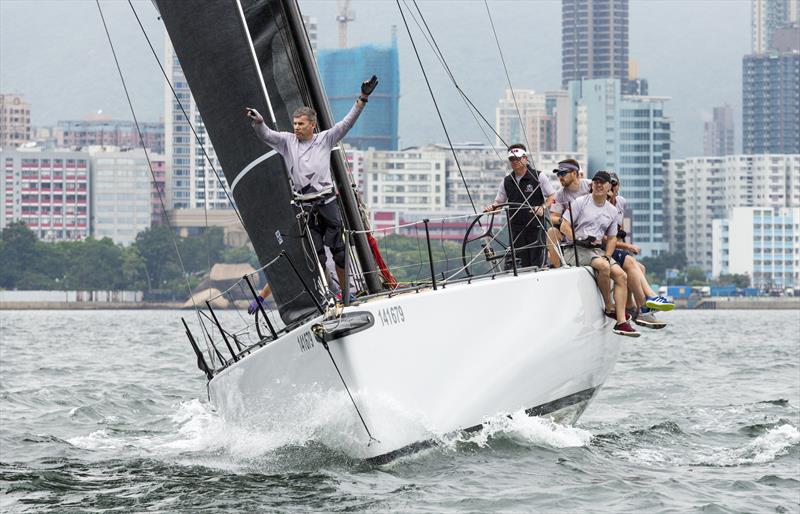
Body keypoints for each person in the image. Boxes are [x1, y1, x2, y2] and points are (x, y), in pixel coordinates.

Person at [245, 75, 378, 294]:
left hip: (327, 202)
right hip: (305, 208)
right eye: (295, 123)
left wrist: (362, 98)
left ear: (312, 126)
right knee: (317, 255)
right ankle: (329, 295)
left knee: (340, 252)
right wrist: (259, 122)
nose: (296, 127)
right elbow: (266, 135)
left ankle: (346, 295)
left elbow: (347, 123)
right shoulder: (287, 141)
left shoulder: (325, 139)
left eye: (301, 124)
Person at [559, 171, 639, 337]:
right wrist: (579, 238)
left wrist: (608, 255)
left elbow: (611, 238)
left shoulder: (612, 210)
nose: (599, 185)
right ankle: (609, 307)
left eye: (603, 182)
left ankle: (621, 322)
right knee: (603, 266)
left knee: (621, 276)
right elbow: (564, 226)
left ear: (610, 187)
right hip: (574, 249)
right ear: (592, 185)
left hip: (595, 250)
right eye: (596, 182)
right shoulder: (580, 202)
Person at [605, 172, 674, 328]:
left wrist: (624, 245)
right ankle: (646, 302)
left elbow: (618, 230)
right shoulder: (602, 204)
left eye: (614, 184)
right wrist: (627, 247)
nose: (612, 188)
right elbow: (604, 237)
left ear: (618, 186)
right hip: (604, 247)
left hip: (616, 244)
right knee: (630, 263)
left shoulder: (621, 202)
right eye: (609, 184)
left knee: (640, 267)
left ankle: (637, 309)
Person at [483, 144, 555, 269]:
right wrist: (492, 208)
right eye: (512, 159)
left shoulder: (538, 176)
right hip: (516, 228)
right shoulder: (507, 181)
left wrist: (542, 207)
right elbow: (499, 203)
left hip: (536, 227)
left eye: (517, 158)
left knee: (537, 263)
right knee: (522, 264)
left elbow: (552, 197)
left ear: (525, 158)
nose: (515, 162)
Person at [547, 159, 592, 267]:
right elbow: (552, 217)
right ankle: (559, 268)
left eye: (563, 173)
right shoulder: (559, 194)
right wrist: (565, 220)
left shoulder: (590, 186)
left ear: (575, 173)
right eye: (558, 174)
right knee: (551, 231)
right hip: (570, 229)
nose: (560, 177)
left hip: (591, 227)